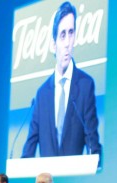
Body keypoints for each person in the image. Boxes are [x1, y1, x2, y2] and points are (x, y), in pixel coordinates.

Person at [21, 1, 102, 158]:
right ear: (53, 44)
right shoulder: (42, 94)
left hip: (75, 181)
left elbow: (93, 142)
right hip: (45, 182)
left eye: (71, 33)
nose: (67, 43)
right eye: (62, 35)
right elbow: (29, 147)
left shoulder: (85, 85)